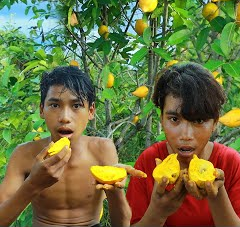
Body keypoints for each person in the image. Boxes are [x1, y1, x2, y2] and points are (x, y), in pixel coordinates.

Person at [0, 66, 144, 227]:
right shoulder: (24, 154)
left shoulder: (103, 149)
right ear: (42, 110)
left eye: (76, 106)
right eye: (55, 105)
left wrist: (115, 189)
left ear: (91, 111)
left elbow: (121, 224)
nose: (65, 118)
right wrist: (33, 184)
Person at [126, 62, 240, 226]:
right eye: (174, 119)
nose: (185, 135)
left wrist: (217, 195)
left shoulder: (230, 163)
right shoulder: (149, 161)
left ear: (215, 123)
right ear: (162, 120)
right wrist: (157, 212)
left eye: (199, 120)